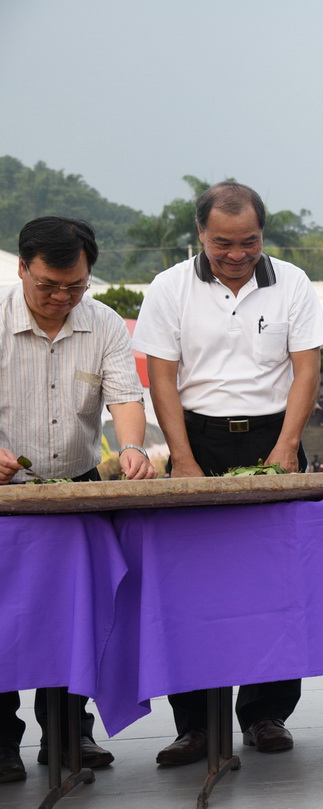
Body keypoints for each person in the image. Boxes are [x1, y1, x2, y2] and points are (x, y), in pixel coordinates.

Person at [132, 182, 323, 765]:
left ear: (262, 235)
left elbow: (306, 370)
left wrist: (288, 446)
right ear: (201, 235)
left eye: (249, 242)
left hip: (274, 437)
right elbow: (161, 380)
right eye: (223, 244)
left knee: (278, 582)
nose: (238, 254)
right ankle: (194, 724)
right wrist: (184, 457)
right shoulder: (169, 287)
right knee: (192, 589)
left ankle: (266, 714)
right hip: (198, 437)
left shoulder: (291, 282)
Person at [0, 216, 156, 783]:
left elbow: (124, 396)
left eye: (75, 286)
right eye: (48, 286)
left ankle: (69, 734)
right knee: (6, 617)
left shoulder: (104, 322)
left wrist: (133, 446)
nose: (62, 298)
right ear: (22, 269)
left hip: (78, 488)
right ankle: (0, 741)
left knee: (75, 612)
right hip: (4, 496)